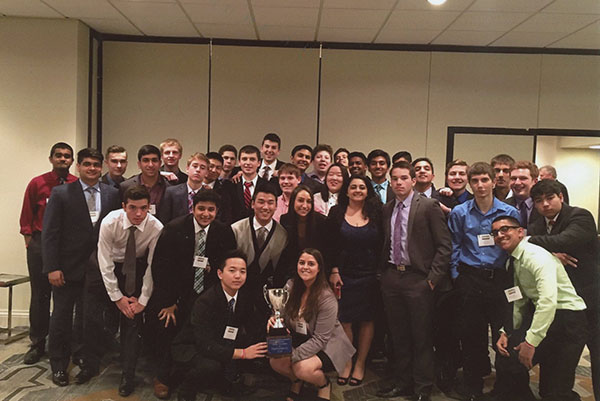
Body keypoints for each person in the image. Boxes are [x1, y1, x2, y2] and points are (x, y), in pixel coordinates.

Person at [42, 148, 120, 386]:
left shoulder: (112, 194)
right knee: (61, 319)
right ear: (78, 166)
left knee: (91, 320)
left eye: (96, 165)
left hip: (97, 269)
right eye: (87, 164)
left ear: (101, 167)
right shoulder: (61, 193)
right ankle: (58, 365)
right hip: (65, 269)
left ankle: (88, 362)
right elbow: (50, 233)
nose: (92, 169)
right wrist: (52, 267)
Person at [377, 161, 452, 401]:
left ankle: (422, 388)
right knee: (398, 336)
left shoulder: (429, 206)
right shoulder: (388, 208)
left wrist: (432, 279)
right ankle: (403, 382)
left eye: (403, 178)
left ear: (412, 180)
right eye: (395, 178)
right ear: (391, 181)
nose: (399, 182)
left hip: (418, 280)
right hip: (392, 278)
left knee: (421, 338)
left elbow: (444, 245)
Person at [151, 189, 236, 399]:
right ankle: (163, 376)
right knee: (169, 327)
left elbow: (229, 264)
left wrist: (212, 268)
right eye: (201, 209)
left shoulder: (223, 232)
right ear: (193, 208)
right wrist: (169, 302)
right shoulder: (174, 228)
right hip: (178, 293)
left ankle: (198, 376)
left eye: (211, 210)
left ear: (217, 211)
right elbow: (160, 267)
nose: (205, 214)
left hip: (209, 294)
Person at [492, 216, 588, 401]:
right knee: (510, 360)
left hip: (568, 320)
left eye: (505, 229)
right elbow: (519, 300)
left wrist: (530, 343)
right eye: (495, 232)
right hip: (545, 317)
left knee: (555, 390)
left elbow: (548, 300)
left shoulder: (535, 256)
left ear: (520, 232)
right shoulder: (513, 260)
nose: (500, 235)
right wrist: (507, 332)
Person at [447, 162, 520, 401]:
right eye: (475, 181)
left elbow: (518, 247)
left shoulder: (509, 213)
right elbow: (455, 246)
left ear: (493, 181)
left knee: (504, 332)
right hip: (470, 279)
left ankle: (504, 386)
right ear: (470, 183)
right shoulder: (460, 212)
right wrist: (458, 277)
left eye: (484, 180)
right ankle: (472, 385)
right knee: (471, 335)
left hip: (500, 280)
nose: (480, 185)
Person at [527, 179, 600, 400]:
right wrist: (551, 252)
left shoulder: (580, 216)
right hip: (563, 305)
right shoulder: (537, 224)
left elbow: (566, 239)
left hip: (591, 299)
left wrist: (531, 241)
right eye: (539, 201)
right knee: (559, 359)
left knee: (597, 356)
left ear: (561, 197)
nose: (545, 205)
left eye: (550, 198)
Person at [171, 250, 268, 401]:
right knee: (210, 366)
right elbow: (204, 344)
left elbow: (252, 323)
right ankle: (186, 391)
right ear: (220, 274)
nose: (238, 276)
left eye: (242, 271)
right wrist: (243, 353)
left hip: (220, 340)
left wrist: (271, 325)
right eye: (232, 270)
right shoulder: (206, 301)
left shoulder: (244, 296)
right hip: (192, 346)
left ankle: (226, 383)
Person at [94, 185, 163, 396]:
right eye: (133, 208)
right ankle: (90, 365)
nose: (139, 214)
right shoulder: (109, 222)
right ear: (124, 206)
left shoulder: (156, 227)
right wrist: (117, 297)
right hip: (107, 267)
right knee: (97, 317)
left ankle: (128, 375)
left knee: (132, 320)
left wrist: (142, 299)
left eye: (144, 208)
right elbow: (104, 262)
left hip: (137, 268)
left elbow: (153, 266)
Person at [269, 249, 356, 401]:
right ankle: (296, 382)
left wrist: (294, 356)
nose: (305, 267)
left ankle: (323, 384)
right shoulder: (290, 285)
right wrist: (273, 320)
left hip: (328, 345)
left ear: (319, 268)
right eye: (301, 263)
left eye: (311, 264)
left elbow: (321, 339)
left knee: (302, 368)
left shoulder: (326, 298)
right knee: (276, 361)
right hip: (301, 338)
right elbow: (279, 313)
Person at [20, 142, 77, 364]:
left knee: (65, 298)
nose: (63, 159)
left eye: (67, 156)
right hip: (40, 246)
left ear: (72, 161)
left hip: (67, 248)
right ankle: (37, 343)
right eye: (59, 156)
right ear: (51, 158)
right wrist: (31, 244)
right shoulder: (38, 183)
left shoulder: (77, 184)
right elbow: (26, 216)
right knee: (40, 296)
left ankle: (63, 342)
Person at [326, 174, 383, 387]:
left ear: (368, 191)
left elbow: (382, 245)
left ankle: (360, 363)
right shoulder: (336, 212)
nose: (357, 190)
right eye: (353, 187)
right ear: (347, 191)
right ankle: (347, 362)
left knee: (367, 320)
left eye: (362, 187)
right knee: (345, 321)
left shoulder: (377, 213)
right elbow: (330, 244)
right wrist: (333, 270)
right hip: (344, 274)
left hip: (370, 275)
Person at [231, 184, 289, 332]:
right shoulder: (236, 229)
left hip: (264, 298)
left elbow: (279, 274)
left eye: (270, 203)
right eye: (261, 202)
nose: (265, 207)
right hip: (237, 291)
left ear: (276, 206)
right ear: (252, 204)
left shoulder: (283, 235)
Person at [280, 186, 327, 273]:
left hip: (317, 270)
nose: (305, 206)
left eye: (309, 202)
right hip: (292, 269)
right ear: (293, 201)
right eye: (300, 200)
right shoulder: (285, 220)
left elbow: (326, 252)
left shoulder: (322, 221)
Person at [157, 153, 209, 224]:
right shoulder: (171, 192)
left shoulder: (210, 195)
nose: (198, 170)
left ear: (206, 173)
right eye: (195, 166)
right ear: (187, 168)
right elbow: (164, 220)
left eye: (202, 168)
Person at [223, 145, 268, 223]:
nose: (248, 163)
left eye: (252, 159)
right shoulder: (229, 185)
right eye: (244, 159)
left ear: (259, 163)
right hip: (233, 230)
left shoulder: (267, 186)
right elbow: (226, 213)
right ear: (239, 162)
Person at [120, 145, 168, 217]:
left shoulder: (170, 188)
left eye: (154, 160)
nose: (150, 165)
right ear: (139, 164)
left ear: (160, 163)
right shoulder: (126, 186)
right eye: (146, 160)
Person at [506, 161, 541, 229]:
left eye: (523, 178)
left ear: (535, 181)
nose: (517, 182)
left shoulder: (544, 206)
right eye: (513, 179)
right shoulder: (504, 207)